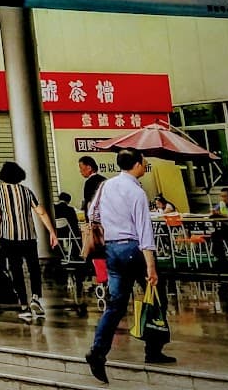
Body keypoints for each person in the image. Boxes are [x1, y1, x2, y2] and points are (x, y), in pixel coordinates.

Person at [86, 149, 171, 382]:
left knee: (116, 304)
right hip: (134, 249)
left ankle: (98, 351)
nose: (145, 164)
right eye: (143, 161)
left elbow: (91, 212)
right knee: (155, 298)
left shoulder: (106, 186)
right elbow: (145, 232)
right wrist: (151, 266)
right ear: (135, 164)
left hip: (112, 249)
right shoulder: (136, 192)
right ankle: (153, 350)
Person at [0, 160, 59, 320]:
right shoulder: (26, 191)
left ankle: (24, 305)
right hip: (28, 237)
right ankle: (35, 297)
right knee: (34, 268)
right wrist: (52, 232)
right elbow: (41, 212)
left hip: (9, 237)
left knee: (17, 270)